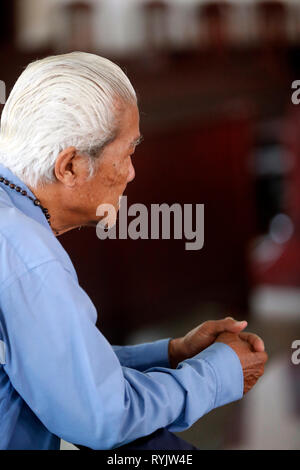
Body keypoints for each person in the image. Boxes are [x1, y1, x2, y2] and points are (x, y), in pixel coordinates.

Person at [0, 52, 267, 450]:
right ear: (69, 166)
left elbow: (56, 368)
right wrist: (218, 374)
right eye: (126, 154)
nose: (132, 173)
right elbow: (102, 417)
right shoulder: (28, 256)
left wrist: (172, 353)